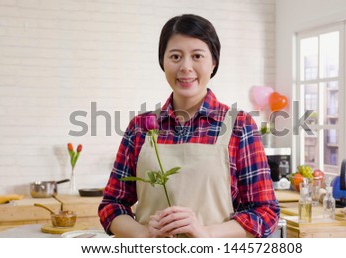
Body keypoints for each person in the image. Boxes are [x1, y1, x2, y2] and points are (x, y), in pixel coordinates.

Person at [98, 14, 280, 238]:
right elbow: (111, 205)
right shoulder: (140, 127)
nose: (186, 67)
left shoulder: (239, 126)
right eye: (175, 56)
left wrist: (206, 233)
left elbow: (265, 213)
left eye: (197, 56)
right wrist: (143, 233)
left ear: (213, 62)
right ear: (162, 62)